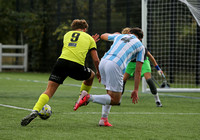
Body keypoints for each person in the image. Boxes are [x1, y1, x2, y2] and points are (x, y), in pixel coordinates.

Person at [21, 19, 101, 126]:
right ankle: (81, 97)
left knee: (49, 90)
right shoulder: (88, 38)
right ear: (85, 29)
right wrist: (99, 72)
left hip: (61, 63)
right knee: (90, 75)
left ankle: (35, 110)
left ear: (73, 27)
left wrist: (89, 41)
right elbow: (95, 60)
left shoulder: (67, 35)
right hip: (75, 65)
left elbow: (75, 45)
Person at [73, 28, 146, 127]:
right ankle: (88, 97)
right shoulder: (141, 47)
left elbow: (103, 35)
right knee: (116, 100)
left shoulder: (120, 36)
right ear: (140, 39)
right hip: (115, 64)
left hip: (103, 62)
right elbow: (138, 71)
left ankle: (104, 119)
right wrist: (136, 89)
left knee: (109, 94)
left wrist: (114, 34)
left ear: (129, 33)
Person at [122, 27, 163, 107]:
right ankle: (118, 99)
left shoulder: (140, 46)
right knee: (122, 81)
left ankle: (157, 100)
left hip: (144, 62)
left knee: (149, 80)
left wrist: (158, 68)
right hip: (131, 63)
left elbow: (151, 57)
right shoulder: (124, 46)